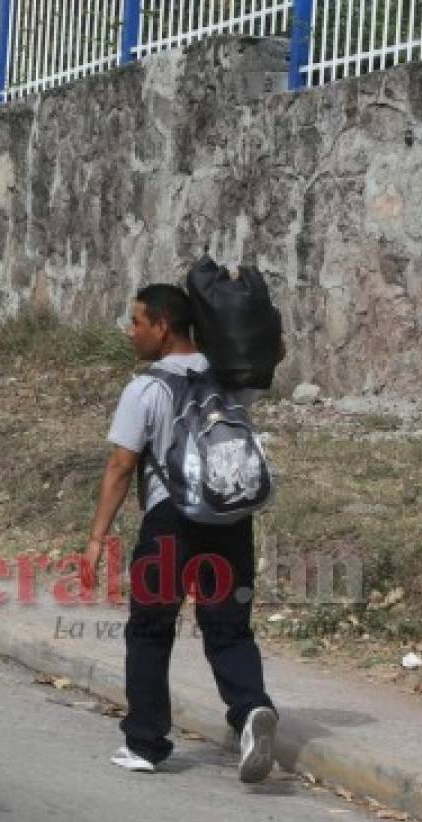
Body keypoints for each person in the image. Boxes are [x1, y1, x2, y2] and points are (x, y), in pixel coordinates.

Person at [82, 283, 277, 782]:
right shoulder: (227, 375)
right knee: (229, 628)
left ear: (162, 326)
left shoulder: (145, 388)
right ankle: (250, 709)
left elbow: (121, 466)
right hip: (231, 521)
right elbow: (272, 356)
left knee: (150, 628)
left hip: (170, 522)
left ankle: (145, 742)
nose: (131, 332)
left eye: (136, 322)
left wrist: (96, 537)